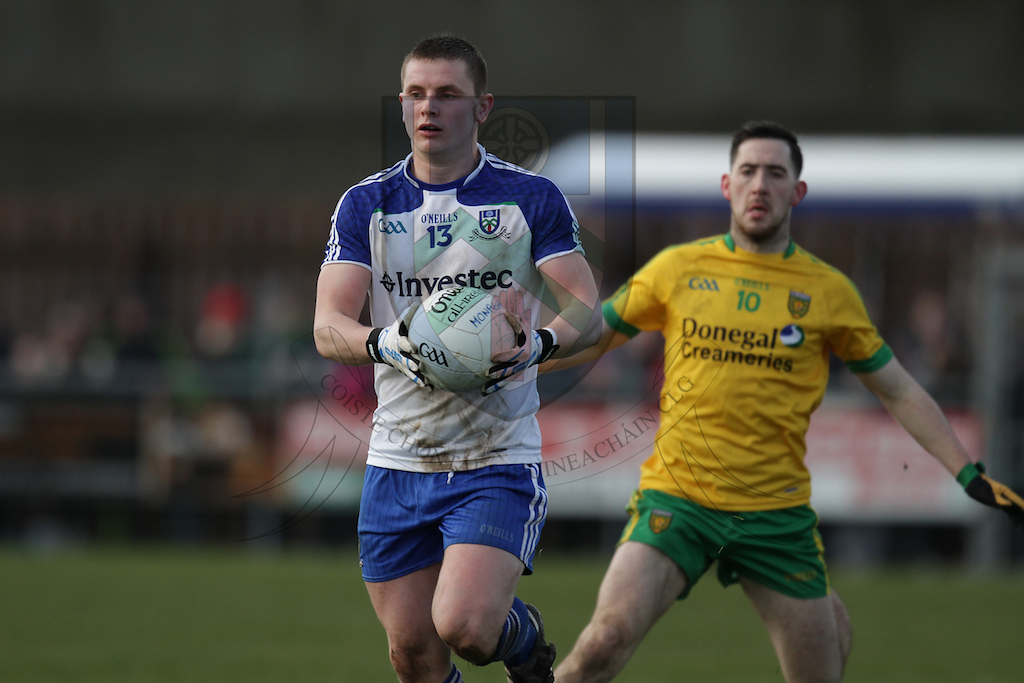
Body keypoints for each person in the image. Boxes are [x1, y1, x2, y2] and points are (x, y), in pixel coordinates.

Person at [547, 120, 1024, 683]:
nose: (760, 186)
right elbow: (594, 333)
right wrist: (522, 354)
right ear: (727, 186)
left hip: (774, 517)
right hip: (678, 501)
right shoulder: (680, 268)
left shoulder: (827, 292)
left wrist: (966, 472)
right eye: (748, 172)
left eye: (776, 174)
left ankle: (827, 617)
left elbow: (898, 388)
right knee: (603, 643)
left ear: (796, 192)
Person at [312, 35, 600, 683]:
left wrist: (541, 342)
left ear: (483, 107)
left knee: (467, 626)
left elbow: (586, 306)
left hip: (494, 456)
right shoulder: (366, 203)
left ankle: (524, 644)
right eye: (415, 93)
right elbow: (328, 326)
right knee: (413, 655)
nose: (428, 107)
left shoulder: (530, 197)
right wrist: (388, 343)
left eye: (447, 94)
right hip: (398, 456)